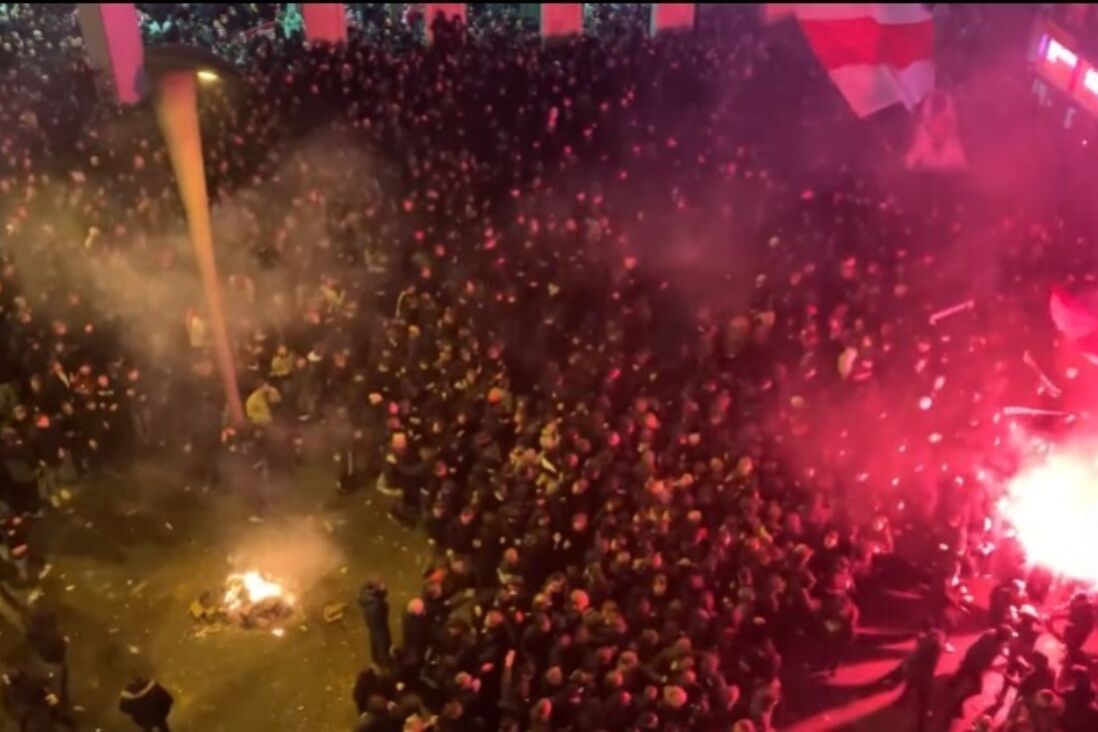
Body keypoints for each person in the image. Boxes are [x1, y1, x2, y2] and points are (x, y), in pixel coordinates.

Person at [879, 621, 943, 731]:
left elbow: (915, 656)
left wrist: (907, 664)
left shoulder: (927, 645)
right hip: (923, 675)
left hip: (920, 675)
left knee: (922, 699)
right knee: (915, 691)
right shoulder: (936, 642)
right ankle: (902, 703)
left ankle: (920, 725)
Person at [946, 625, 1013, 719]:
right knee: (977, 689)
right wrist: (999, 668)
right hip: (975, 665)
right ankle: (958, 702)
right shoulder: (995, 647)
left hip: (970, 655)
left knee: (963, 670)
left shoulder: (991, 632)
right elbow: (987, 663)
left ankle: (953, 682)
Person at [358, 581, 393, 668]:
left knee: (374, 640)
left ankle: (376, 659)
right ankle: (386, 664)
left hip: (373, 625)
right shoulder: (378, 605)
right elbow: (383, 612)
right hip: (379, 627)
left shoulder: (367, 598)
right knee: (382, 645)